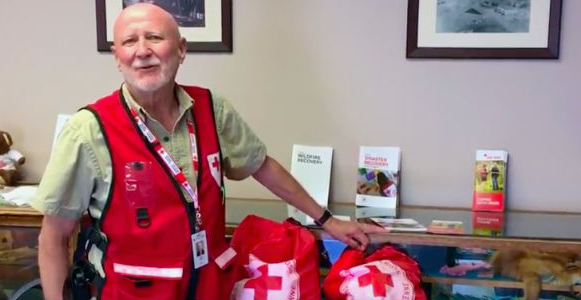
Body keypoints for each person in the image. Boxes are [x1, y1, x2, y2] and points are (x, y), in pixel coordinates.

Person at [31, 3, 384, 300]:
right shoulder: (89, 130)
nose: (142, 50)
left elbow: (261, 165)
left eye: (155, 37)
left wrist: (327, 220)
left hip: (209, 287)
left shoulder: (212, 109)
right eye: (129, 41)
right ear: (117, 56)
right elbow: (54, 236)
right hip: (131, 292)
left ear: (181, 49)